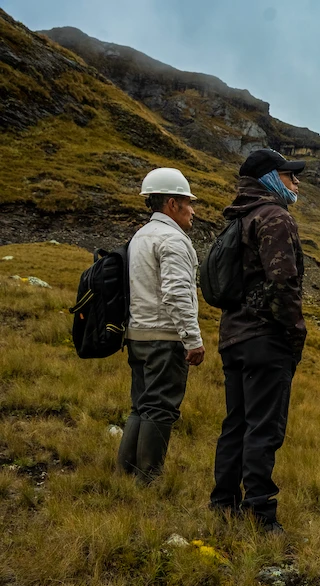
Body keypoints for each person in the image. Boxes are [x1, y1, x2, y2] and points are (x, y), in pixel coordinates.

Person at [209, 149, 307, 533]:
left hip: (233, 337)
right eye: (288, 174)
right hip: (266, 339)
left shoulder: (239, 218)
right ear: (268, 178)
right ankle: (260, 515)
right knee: (264, 427)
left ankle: (223, 504)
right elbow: (283, 281)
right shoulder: (274, 217)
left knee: (236, 423)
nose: (296, 181)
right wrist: (293, 333)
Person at [118, 167, 205, 483]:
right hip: (164, 337)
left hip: (137, 334)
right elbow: (176, 292)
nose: (192, 210)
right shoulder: (173, 240)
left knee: (141, 405)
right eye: (188, 202)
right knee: (160, 408)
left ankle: (125, 473)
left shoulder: (140, 236)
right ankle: (148, 479)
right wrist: (192, 339)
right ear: (172, 203)